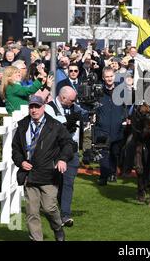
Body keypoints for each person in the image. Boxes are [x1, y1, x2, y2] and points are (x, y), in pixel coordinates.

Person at [11, 95, 73, 241]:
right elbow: (15, 149)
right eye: (31, 107)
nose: (34, 110)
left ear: (44, 107)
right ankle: (36, 238)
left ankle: (58, 228)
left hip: (49, 174)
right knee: (32, 212)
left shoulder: (55, 126)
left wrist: (63, 159)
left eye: (37, 106)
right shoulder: (22, 125)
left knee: (49, 208)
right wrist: (20, 162)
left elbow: (69, 144)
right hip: (29, 174)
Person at [45, 86, 89, 228]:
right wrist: (70, 119)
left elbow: (86, 115)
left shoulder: (75, 107)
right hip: (55, 151)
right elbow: (57, 124)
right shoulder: (49, 107)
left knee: (68, 182)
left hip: (72, 151)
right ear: (63, 98)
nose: (73, 102)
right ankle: (55, 209)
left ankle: (65, 214)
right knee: (56, 183)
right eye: (71, 100)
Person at [118, 0, 150, 94]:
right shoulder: (142, 23)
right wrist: (121, 4)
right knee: (136, 88)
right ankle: (131, 108)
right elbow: (126, 15)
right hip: (140, 59)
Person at [94, 67, 127, 185]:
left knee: (114, 153)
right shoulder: (98, 91)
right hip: (101, 128)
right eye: (107, 76)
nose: (109, 79)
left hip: (118, 128)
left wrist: (125, 119)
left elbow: (127, 106)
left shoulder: (121, 91)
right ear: (103, 77)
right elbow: (91, 105)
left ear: (115, 76)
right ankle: (103, 176)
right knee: (103, 153)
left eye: (111, 76)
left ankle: (112, 173)